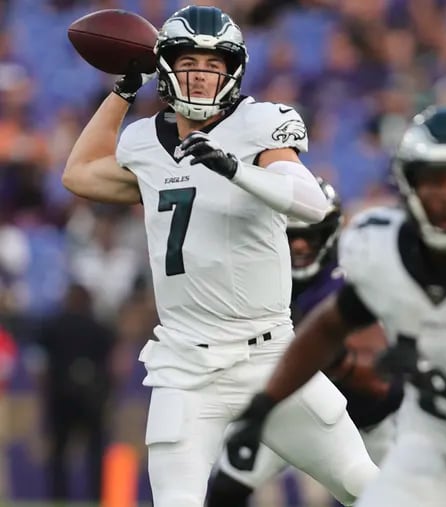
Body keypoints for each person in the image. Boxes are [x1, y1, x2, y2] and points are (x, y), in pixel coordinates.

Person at [61, 6, 377, 506]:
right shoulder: (146, 142)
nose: (203, 76)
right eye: (190, 64)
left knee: (365, 485)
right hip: (187, 365)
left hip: (271, 356)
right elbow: (78, 175)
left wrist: (234, 169)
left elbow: (313, 204)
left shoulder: (259, 124)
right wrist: (124, 90)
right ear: (166, 68)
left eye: (214, 66)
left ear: (233, 72)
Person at [223, 106, 446, 507]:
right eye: (435, 181)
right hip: (429, 455)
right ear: (408, 183)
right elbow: (326, 329)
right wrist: (263, 405)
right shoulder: (379, 247)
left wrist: (444, 382)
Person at [207, 178, 402, 506]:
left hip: (371, 420)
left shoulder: (351, 276)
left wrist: (328, 357)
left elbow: (381, 383)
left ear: (330, 232)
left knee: (379, 490)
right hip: (297, 412)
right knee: (227, 483)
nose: (299, 247)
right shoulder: (254, 278)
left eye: (309, 235)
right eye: (291, 236)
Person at [36, 284, 115, 501]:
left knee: (59, 453)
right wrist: (108, 392)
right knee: (95, 453)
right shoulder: (100, 328)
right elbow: (116, 365)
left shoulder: (52, 326)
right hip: (93, 398)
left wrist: (46, 393)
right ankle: (96, 498)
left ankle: (58, 498)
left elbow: (40, 367)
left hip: (61, 396)